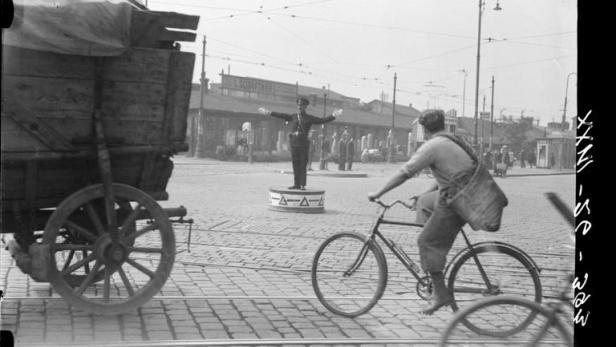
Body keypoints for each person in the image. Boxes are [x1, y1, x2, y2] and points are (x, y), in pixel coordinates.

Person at [367, 109, 476, 315]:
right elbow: (444, 175)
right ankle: (433, 260)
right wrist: (421, 195)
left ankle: (440, 291)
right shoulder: (452, 140)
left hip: (456, 201)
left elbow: (404, 173)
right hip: (465, 195)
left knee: (425, 242)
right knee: (425, 203)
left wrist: (378, 192)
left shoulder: (432, 146)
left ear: (424, 129)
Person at [258, 97, 342, 190]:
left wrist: (334, 115)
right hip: (294, 144)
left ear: (305, 106)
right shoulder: (293, 116)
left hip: (303, 144)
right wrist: (269, 112)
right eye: (298, 105)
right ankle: (296, 184)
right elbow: (282, 115)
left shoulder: (309, 118)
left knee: (302, 164)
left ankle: (302, 184)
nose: (299, 107)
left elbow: (322, 120)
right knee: (295, 164)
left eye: (301, 105)